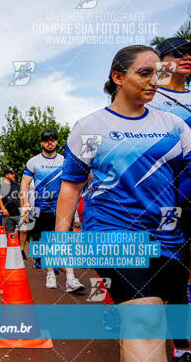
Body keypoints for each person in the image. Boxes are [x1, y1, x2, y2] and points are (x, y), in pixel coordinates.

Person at [57, 45, 191, 362]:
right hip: (112, 235)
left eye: (157, 73)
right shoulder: (90, 127)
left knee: (150, 320)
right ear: (118, 77)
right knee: (145, 323)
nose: (153, 81)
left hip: (169, 240)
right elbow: (72, 185)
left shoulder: (174, 127)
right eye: (144, 73)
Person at [146, 36, 191, 360]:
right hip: (163, 201)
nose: (187, 57)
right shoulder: (148, 101)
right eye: (179, 53)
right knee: (171, 279)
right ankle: (180, 346)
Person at [21, 130, 85, 293]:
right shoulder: (33, 162)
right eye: (46, 140)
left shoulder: (65, 161)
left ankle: (71, 278)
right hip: (41, 209)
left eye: (53, 140)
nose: (50, 143)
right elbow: (25, 185)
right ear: (42, 143)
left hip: (63, 208)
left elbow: (75, 182)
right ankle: (50, 274)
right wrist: (26, 203)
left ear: (56, 142)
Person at [0, 168, 20, 233]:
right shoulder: (2, 185)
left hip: (19, 213)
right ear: (6, 175)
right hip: (8, 215)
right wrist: (3, 209)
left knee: (23, 233)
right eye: (11, 173)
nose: (13, 175)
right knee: (8, 235)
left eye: (14, 173)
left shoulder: (16, 184)